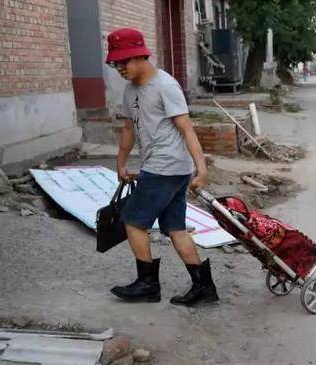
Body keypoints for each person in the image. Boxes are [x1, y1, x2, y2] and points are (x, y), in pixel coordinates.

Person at [105, 28, 218, 306]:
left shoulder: (165, 85)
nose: (120, 68)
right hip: (163, 168)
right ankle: (203, 288)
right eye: (116, 63)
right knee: (175, 229)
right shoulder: (131, 89)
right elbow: (129, 127)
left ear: (141, 55)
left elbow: (187, 129)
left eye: (124, 62)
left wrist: (201, 168)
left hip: (165, 168)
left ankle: (147, 285)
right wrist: (121, 162)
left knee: (132, 221)